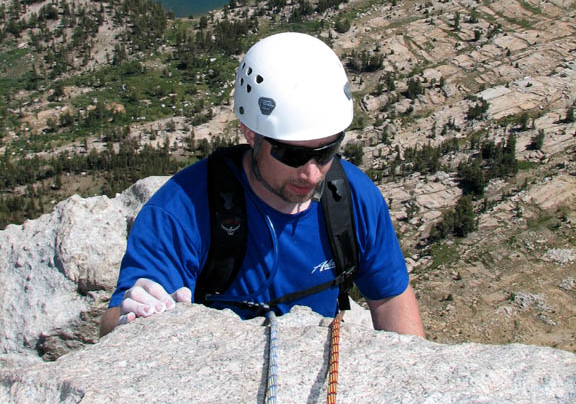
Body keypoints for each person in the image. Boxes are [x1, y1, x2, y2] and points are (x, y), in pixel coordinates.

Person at [100, 32, 424, 338]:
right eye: (292, 154)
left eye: (327, 151)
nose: (312, 175)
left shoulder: (353, 199)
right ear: (250, 133)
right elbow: (114, 323)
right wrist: (132, 318)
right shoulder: (182, 211)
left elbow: (389, 298)